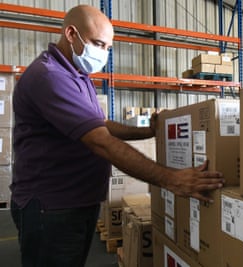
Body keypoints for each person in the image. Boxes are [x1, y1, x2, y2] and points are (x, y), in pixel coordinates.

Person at [10, 4, 224, 267]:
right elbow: (100, 140)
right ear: (70, 34)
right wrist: (171, 179)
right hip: (51, 207)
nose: (103, 54)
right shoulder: (50, 76)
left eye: (108, 48)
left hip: (76, 201)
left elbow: (101, 124)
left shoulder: (78, 75)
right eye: (98, 44)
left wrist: (148, 130)